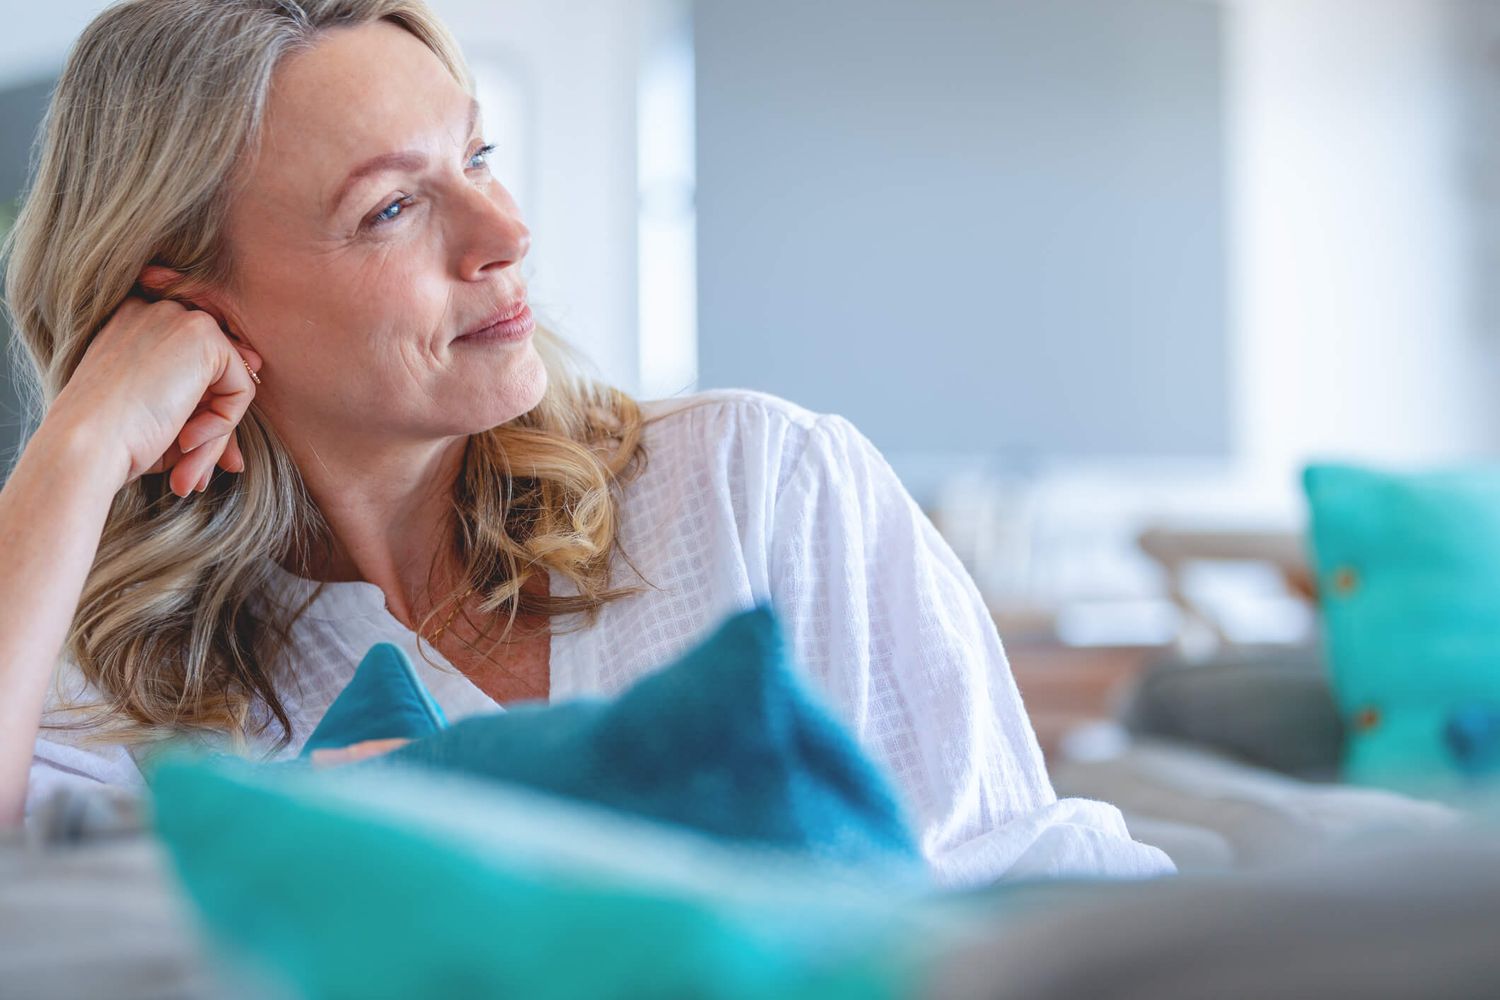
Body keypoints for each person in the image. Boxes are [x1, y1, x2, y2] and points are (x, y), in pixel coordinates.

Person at [0, 0, 1171, 886]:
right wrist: (80, 443)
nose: (505, 234)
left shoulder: (760, 488)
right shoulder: (105, 668)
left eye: (478, 159)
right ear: (193, 301)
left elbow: (1030, 887)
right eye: (393, 207)